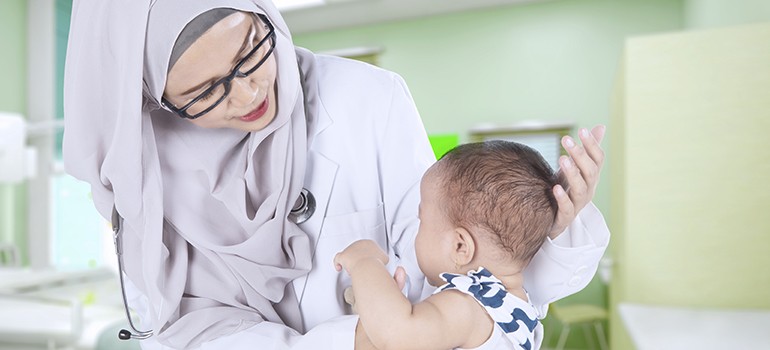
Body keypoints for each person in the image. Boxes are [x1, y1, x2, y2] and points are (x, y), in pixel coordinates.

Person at [63, 0, 610, 349]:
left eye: (252, 49)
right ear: (155, 99)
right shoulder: (143, 180)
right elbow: (184, 333)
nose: (251, 92)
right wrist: (353, 339)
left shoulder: (367, 98)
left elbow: (462, 258)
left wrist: (557, 225)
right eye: (205, 92)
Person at [335, 140, 563, 350]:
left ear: (460, 247)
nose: (416, 232)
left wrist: (365, 262)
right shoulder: (517, 304)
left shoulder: (469, 305)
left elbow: (396, 335)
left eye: (421, 221)